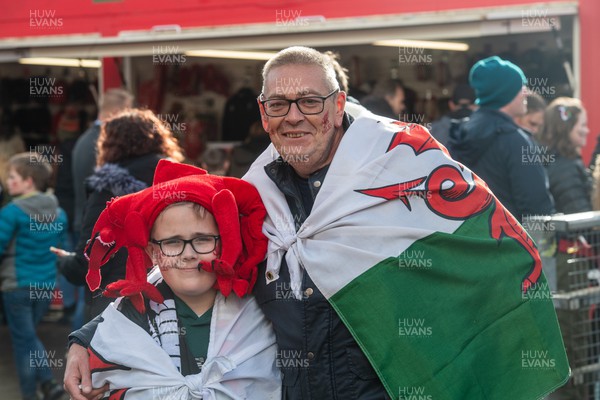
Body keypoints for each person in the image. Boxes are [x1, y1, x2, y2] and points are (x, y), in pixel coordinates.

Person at [65, 46, 569, 400]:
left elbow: (493, 253)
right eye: (278, 104)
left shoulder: (408, 167)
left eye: (310, 101)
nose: (294, 116)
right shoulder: (251, 198)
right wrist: (87, 339)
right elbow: (182, 265)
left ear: (338, 104)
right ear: (263, 114)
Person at [64, 159, 280, 399]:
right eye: (172, 242)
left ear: (226, 242)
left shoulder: (263, 309)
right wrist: (80, 342)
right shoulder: (127, 319)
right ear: (152, 252)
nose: (189, 254)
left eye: (203, 239)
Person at [53, 108, 184, 322]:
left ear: (110, 144)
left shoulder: (109, 188)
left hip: (117, 302)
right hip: (173, 296)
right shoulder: (179, 180)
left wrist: (63, 261)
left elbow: (86, 263)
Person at [448, 55, 555, 222]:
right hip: (510, 243)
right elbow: (537, 208)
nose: (526, 92)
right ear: (506, 93)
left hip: (469, 240)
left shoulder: (459, 133)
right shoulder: (515, 140)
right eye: (521, 87)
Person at [0, 153, 68, 400]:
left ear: (28, 181)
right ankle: (49, 387)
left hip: (16, 286)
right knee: (28, 336)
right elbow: (60, 251)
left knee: (23, 341)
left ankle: (34, 392)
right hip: (45, 286)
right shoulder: (59, 213)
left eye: (12, 176)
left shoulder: (11, 212)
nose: (8, 182)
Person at [71, 89, 133, 236]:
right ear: (118, 112)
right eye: (130, 111)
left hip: (88, 222)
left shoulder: (86, 139)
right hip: (99, 228)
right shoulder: (107, 143)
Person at [537, 97, 591, 214]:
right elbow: (579, 214)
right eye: (583, 125)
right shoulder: (565, 167)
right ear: (566, 128)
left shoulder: (551, 158)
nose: (587, 130)